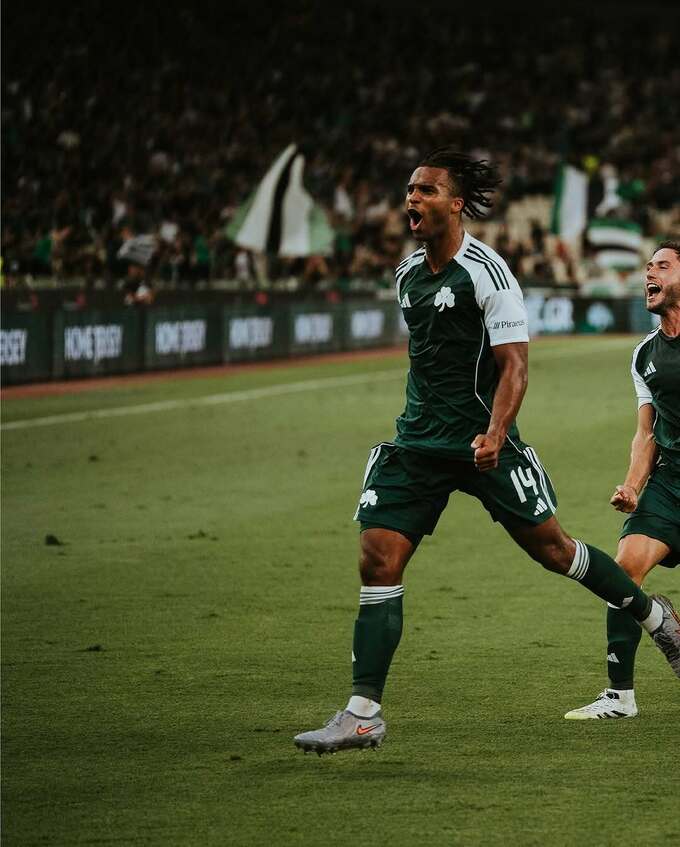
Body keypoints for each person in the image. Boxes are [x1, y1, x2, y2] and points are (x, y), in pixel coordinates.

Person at [293, 149, 680, 755]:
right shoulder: (407, 274)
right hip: (418, 443)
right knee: (377, 559)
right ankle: (362, 713)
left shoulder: (488, 273)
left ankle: (654, 618)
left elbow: (514, 366)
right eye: (410, 189)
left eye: (426, 190)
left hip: (485, 444)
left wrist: (497, 432)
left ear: (455, 204)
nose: (412, 199)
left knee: (556, 551)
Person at [565, 241, 680, 719]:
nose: (649, 273)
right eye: (648, 266)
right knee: (623, 569)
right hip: (670, 484)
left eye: (663, 265)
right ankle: (620, 697)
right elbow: (645, 432)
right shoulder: (644, 354)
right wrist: (633, 485)